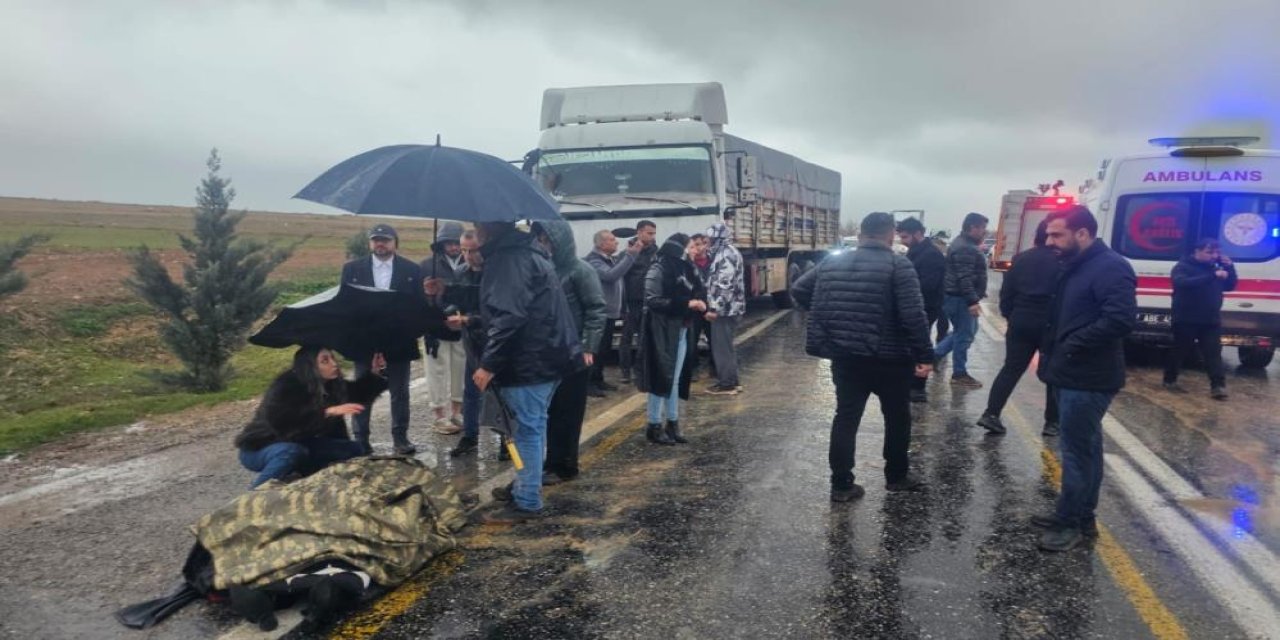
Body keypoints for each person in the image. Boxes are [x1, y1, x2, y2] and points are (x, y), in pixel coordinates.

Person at [792, 212, 934, 501]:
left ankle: (841, 484)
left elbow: (799, 289)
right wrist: (924, 355)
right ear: (890, 235)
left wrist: (828, 315)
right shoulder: (899, 265)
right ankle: (896, 476)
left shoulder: (832, 262)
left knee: (846, 417)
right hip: (891, 359)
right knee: (897, 418)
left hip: (846, 356)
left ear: (860, 235)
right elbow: (913, 315)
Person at [1034, 206, 1136, 552]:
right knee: (1086, 449)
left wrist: (1073, 344)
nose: (1050, 241)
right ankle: (1081, 516)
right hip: (1069, 371)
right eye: (1049, 234)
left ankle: (1070, 524)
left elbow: (1120, 319)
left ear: (1082, 233)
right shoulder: (1076, 264)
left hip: (1089, 376)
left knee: (1078, 453)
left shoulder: (1110, 267)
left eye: (1057, 234)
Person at [472, 222, 580, 523]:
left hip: (529, 361)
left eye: (476, 226)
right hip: (547, 357)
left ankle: (528, 500)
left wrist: (488, 364)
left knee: (526, 431)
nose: (474, 233)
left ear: (488, 228)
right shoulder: (527, 252)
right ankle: (525, 485)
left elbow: (509, 314)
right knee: (534, 427)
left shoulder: (509, 258)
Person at [235, 347, 386, 488]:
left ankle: (303, 480)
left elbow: (359, 392)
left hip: (303, 445)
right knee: (292, 452)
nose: (334, 364)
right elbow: (282, 421)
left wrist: (375, 372)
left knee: (353, 449)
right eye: (325, 361)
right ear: (310, 366)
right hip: (260, 447)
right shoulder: (287, 386)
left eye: (333, 358)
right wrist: (326, 412)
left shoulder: (331, 385)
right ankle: (253, 494)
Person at [532, 220, 607, 484]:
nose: (543, 244)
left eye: (546, 239)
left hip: (574, 351)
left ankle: (564, 464)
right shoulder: (541, 268)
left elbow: (596, 309)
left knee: (568, 411)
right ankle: (549, 463)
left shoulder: (581, 270)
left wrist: (588, 346)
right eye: (540, 239)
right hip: (548, 350)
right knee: (549, 410)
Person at [339, 224, 422, 455]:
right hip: (364, 341)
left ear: (395, 242)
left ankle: (400, 438)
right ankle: (361, 440)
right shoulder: (352, 269)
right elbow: (346, 305)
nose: (380, 244)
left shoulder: (411, 270)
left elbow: (417, 307)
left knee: (400, 393)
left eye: (385, 239)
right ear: (370, 243)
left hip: (399, 340)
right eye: (376, 239)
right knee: (362, 391)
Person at [977, 220, 1061, 436]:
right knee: (1053, 372)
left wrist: (1011, 316)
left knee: (1011, 369)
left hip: (1021, 320)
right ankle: (1052, 423)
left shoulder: (1021, 258)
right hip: (1050, 322)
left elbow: (1007, 293)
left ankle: (991, 413)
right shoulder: (1063, 260)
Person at [638, 233, 707, 445]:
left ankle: (673, 422)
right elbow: (653, 300)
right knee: (661, 377)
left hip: (681, 329)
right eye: (690, 246)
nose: (695, 250)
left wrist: (700, 303)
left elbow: (698, 291)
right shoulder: (658, 268)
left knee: (674, 379)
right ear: (679, 248)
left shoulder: (687, 269)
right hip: (662, 330)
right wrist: (687, 304)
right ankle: (654, 424)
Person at [429, 230, 491, 458]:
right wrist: (439, 298)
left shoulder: (496, 272)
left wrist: (468, 319)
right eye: (464, 250)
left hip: (497, 341)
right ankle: (470, 436)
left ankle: (506, 439)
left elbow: (499, 313)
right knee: (471, 392)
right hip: (472, 342)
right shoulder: (461, 272)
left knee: (498, 394)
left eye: (472, 250)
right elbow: (454, 303)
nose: (467, 255)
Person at [1164, 238, 1237, 400]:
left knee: (1213, 353)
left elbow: (1230, 285)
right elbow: (1182, 283)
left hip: (1210, 319)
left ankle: (1218, 386)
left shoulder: (1216, 267)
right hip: (1186, 318)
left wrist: (1230, 268)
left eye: (1216, 252)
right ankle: (1170, 379)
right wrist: (1212, 276)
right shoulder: (1183, 266)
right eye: (1209, 252)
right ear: (1196, 251)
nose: (1214, 256)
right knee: (1180, 351)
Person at [420, 221, 467, 435]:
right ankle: (439, 415)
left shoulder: (471, 263)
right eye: (449, 243)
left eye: (457, 243)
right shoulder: (426, 266)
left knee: (461, 371)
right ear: (441, 244)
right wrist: (428, 295)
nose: (454, 247)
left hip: (463, 327)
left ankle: (457, 412)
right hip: (435, 328)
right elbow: (417, 300)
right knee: (436, 373)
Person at [933, 212, 989, 388]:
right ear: (972, 227)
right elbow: (964, 277)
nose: (984, 232)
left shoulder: (964, 244)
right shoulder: (965, 247)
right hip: (960, 298)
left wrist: (978, 292)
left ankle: (934, 356)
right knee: (964, 334)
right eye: (982, 228)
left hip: (958, 297)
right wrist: (972, 300)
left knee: (964, 332)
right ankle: (959, 374)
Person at [896, 217, 946, 403]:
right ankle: (911, 383)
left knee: (919, 344)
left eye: (905, 237)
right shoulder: (916, 251)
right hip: (916, 306)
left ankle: (918, 387)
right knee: (911, 344)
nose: (902, 241)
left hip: (925, 308)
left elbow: (927, 286)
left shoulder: (931, 255)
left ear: (918, 234)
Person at [584, 229, 638, 396]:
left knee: (604, 349)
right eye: (612, 240)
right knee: (595, 348)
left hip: (611, 312)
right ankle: (589, 382)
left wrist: (622, 308)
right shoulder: (594, 261)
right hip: (600, 313)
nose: (616, 242)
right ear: (601, 244)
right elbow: (611, 276)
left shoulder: (609, 259)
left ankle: (598, 378)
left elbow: (619, 283)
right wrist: (630, 255)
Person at [702, 223, 746, 395]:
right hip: (729, 308)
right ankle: (731, 381)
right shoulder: (725, 252)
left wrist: (715, 308)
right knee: (726, 347)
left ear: (718, 238)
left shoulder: (726, 255)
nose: (707, 242)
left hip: (726, 310)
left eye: (710, 239)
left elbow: (725, 285)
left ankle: (727, 384)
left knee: (722, 348)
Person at [620, 220, 659, 384]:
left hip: (649, 300)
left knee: (645, 338)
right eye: (649, 233)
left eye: (654, 233)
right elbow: (621, 276)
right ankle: (625, 371)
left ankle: (641, 370)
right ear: (639, 232)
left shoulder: (656, 253)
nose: (652, 236)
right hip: (632, 300)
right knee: (626, 338)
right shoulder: (628, 252)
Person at [688, 233, 716, 381]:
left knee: (714, 339)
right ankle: (693, 369)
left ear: (706, 245)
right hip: (694, 308)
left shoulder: (715, 262)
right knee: (691, 340)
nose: (697, 248)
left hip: (711, 307)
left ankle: (715, 368)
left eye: (699, 244)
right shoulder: (687, 264)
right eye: (693, 245)